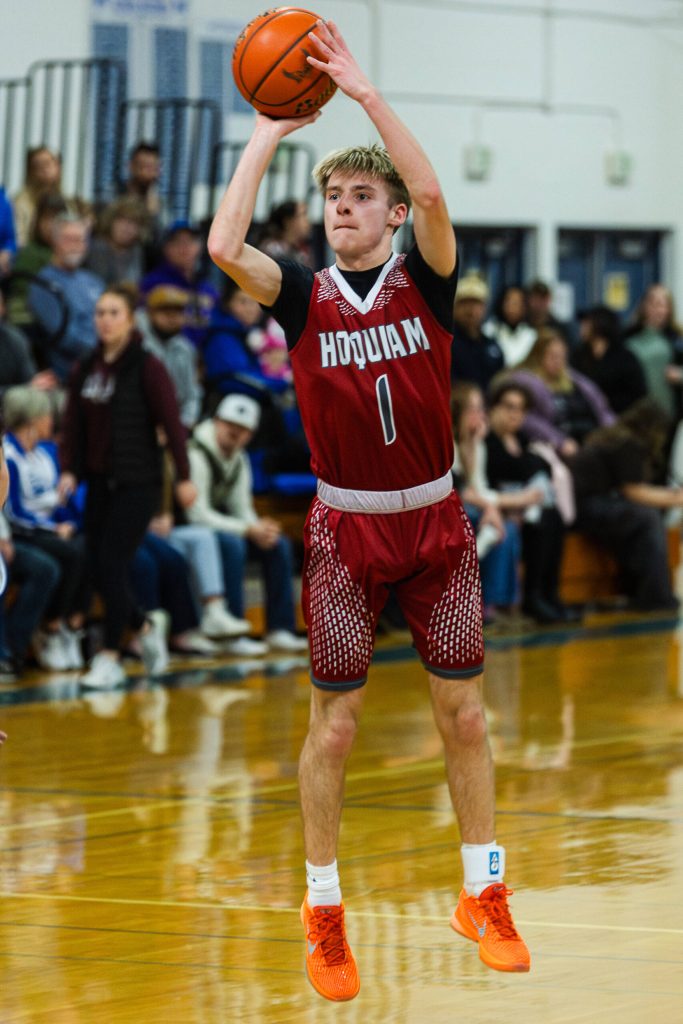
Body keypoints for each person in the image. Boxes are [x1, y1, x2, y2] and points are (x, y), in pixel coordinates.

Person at [207, 18, 530, 1002]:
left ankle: (483, 891)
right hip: (345, 530)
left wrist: (360, 92)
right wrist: (267, 128)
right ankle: (322, 912)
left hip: (434, 525)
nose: (342, 208)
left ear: (388, 215)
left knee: (463, 715)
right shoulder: (302, 298)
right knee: (335, 729)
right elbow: (225, 243)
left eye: (359, 197)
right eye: (334, 198)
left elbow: (430, 189)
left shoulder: (425, 283)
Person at [58, 285, 197, 688]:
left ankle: (111, 656)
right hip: (100, 482)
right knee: (96, 566)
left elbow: (172, 424)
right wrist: (70, 470)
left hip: (139, 483)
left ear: (130, 319)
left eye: (113, 312)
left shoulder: (147, 366)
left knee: (114, 564)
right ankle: (144, 627)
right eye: (100, 312)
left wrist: (185, 477)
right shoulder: (85, 366)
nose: (104, 319)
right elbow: (72, 426)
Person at [186, 395, 307, 657]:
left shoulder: (239, 460)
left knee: (278, 544)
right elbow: (197, 514)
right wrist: (247, 530)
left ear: (250, 434)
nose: (235, 432)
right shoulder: (196, 451)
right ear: (217, 421)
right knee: (234, 544)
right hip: (192, 531)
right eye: (230, 425)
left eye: (242, 429)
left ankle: (280, 629)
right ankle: (233, 632)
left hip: (218, 528)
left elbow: (242, 508)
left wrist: (259, 529)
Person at [2, 386, 88, 670]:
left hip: (41, 528)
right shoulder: (9, 454)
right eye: (46, 415)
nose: (51, 421)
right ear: (31, 419)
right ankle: (39, 634)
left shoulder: (42, 455)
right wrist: (52, 528)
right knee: (54, 562)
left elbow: (57, 500)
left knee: (85, 547)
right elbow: (11, 510)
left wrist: (66, 523)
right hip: (19, 531)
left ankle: (64, 626)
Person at [568, 398, 681, 611]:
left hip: (591, 505)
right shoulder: (628, 443)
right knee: (647, 518)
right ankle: (656, 596)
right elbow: (634, 491)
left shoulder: (616, 437)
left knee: (642, 519)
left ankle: (641, 590)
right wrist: (677, 498)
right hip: (588, 507)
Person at [485, 382, 574, 624]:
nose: (515, 414)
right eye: (509, 407)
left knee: (554, 517)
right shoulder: (487, 441)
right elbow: (491, 482)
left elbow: (538, 469)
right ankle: (532, 596)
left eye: (521, 409)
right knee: (541, 521)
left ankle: (549, 592)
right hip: (499, 506)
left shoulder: (523, 439)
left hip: (524, 505)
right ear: (493, 408)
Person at [505, 327, 615, 458]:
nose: (558, 361)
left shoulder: (575, 381)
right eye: (553, 356)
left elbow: (602, 409)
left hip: (593, 439)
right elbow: (527, 418)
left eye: (562, 356)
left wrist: (613, 432)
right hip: (559, 448)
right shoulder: (526, 383)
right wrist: (559, 441)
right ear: (538, 356)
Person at [29, 215, 105, 381]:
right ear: (54, 242)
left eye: (81, 240)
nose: (76, 246)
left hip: (105, 362)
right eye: (69, 239)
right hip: (73, 371)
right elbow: (65, 337)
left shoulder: (94, 281)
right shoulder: (44, 283)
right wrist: (107, 349)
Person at [140, 220, 219, 348]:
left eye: (190, 241)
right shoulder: (153, 282)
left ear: (200, 247)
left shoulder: (206, 286)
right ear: (166, 248)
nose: (184, 247)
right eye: (177, 242)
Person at [138, 285, 203, 430]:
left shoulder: (185, 349)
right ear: (150, 313)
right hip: (139, 426)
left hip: (174, 425)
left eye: (178, 311)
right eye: (165, 311)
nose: (172, 317)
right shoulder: (136, 344)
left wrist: (182, 426)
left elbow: (191, 396)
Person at [572, 305, 647, 415]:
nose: (582, 327)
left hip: (620, 419)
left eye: (586, 323)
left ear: (600, 325)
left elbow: (638, 395)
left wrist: (608, 401)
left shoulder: (624, 358)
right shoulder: (578, 355)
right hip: (585, 419)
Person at [623, 283, 683, 418]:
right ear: (644, 306)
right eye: (653, 303)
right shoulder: (628, 337)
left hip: (668, 410)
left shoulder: (677, 339)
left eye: (662, 305)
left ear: (669, 309)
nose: (657, 310)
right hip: (636, 410)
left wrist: (679, 375)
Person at [450, 272, 505, 391]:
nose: (470, 310)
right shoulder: (447, 343)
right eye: (465, 303)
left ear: (485, 308)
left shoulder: (492, 345)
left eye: (476, 303)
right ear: (454, 307)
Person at [84, 197, 148, 286]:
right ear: (111, 221)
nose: (126, 228)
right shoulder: (95, 248)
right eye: (122, 220)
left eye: (134, 223)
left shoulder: (138, 251)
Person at [485, 284, 537, 367]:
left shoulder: (531, 335)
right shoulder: (489, 331)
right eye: (509, 302)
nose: (513, 307)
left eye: (517, 303)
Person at [256, 199, 314, 268]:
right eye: (303, 214)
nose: (308, 221)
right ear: (288, 221)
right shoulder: (273, 249)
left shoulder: (302, 251)